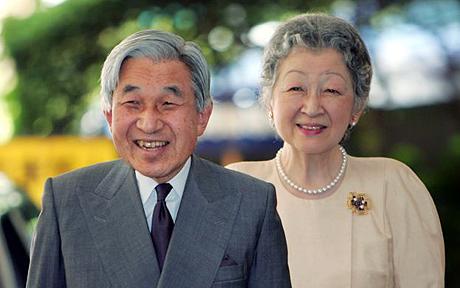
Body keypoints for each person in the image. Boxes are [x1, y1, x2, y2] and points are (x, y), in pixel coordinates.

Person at [26, 30, 291, 288]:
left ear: (202, 116)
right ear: (109, 115)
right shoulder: (67, 202)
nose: (149, 123)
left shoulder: (252, 203)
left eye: (167, 104)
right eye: (132, 103)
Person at [227, 13, 444, 287]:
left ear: (357, 106)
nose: (313, 107)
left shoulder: (393, 184)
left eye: (331, 90)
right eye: (296, 87)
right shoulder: (234, 187)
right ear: (270, 99)